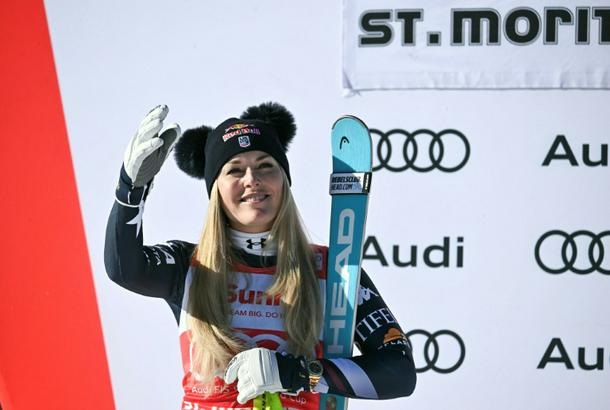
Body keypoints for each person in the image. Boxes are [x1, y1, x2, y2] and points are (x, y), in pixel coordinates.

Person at [104, 102, 416, 410]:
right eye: (234, 170)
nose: (252, 179)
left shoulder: (334, 270)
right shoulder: (189, 265)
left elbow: (399, 372)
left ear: (284, 181)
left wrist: (295, 373)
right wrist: (130, 191)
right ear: (215, 190)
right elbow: (124, 268)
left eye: (266, 166)